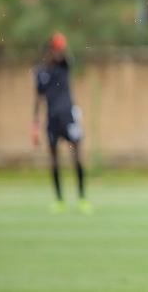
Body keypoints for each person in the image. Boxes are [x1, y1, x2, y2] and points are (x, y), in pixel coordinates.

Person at [32, 32, 91, 214]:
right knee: (54, 160)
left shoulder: (64, 64)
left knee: (76, 156)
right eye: (54, 49)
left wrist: (60, 45)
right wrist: (34, 124)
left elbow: (67, 57)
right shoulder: (40, 72)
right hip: (52, 119)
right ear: (47, 50)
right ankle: (59, 200)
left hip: (68, 116)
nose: (56, 52)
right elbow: (38, 98)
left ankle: (82, 198)